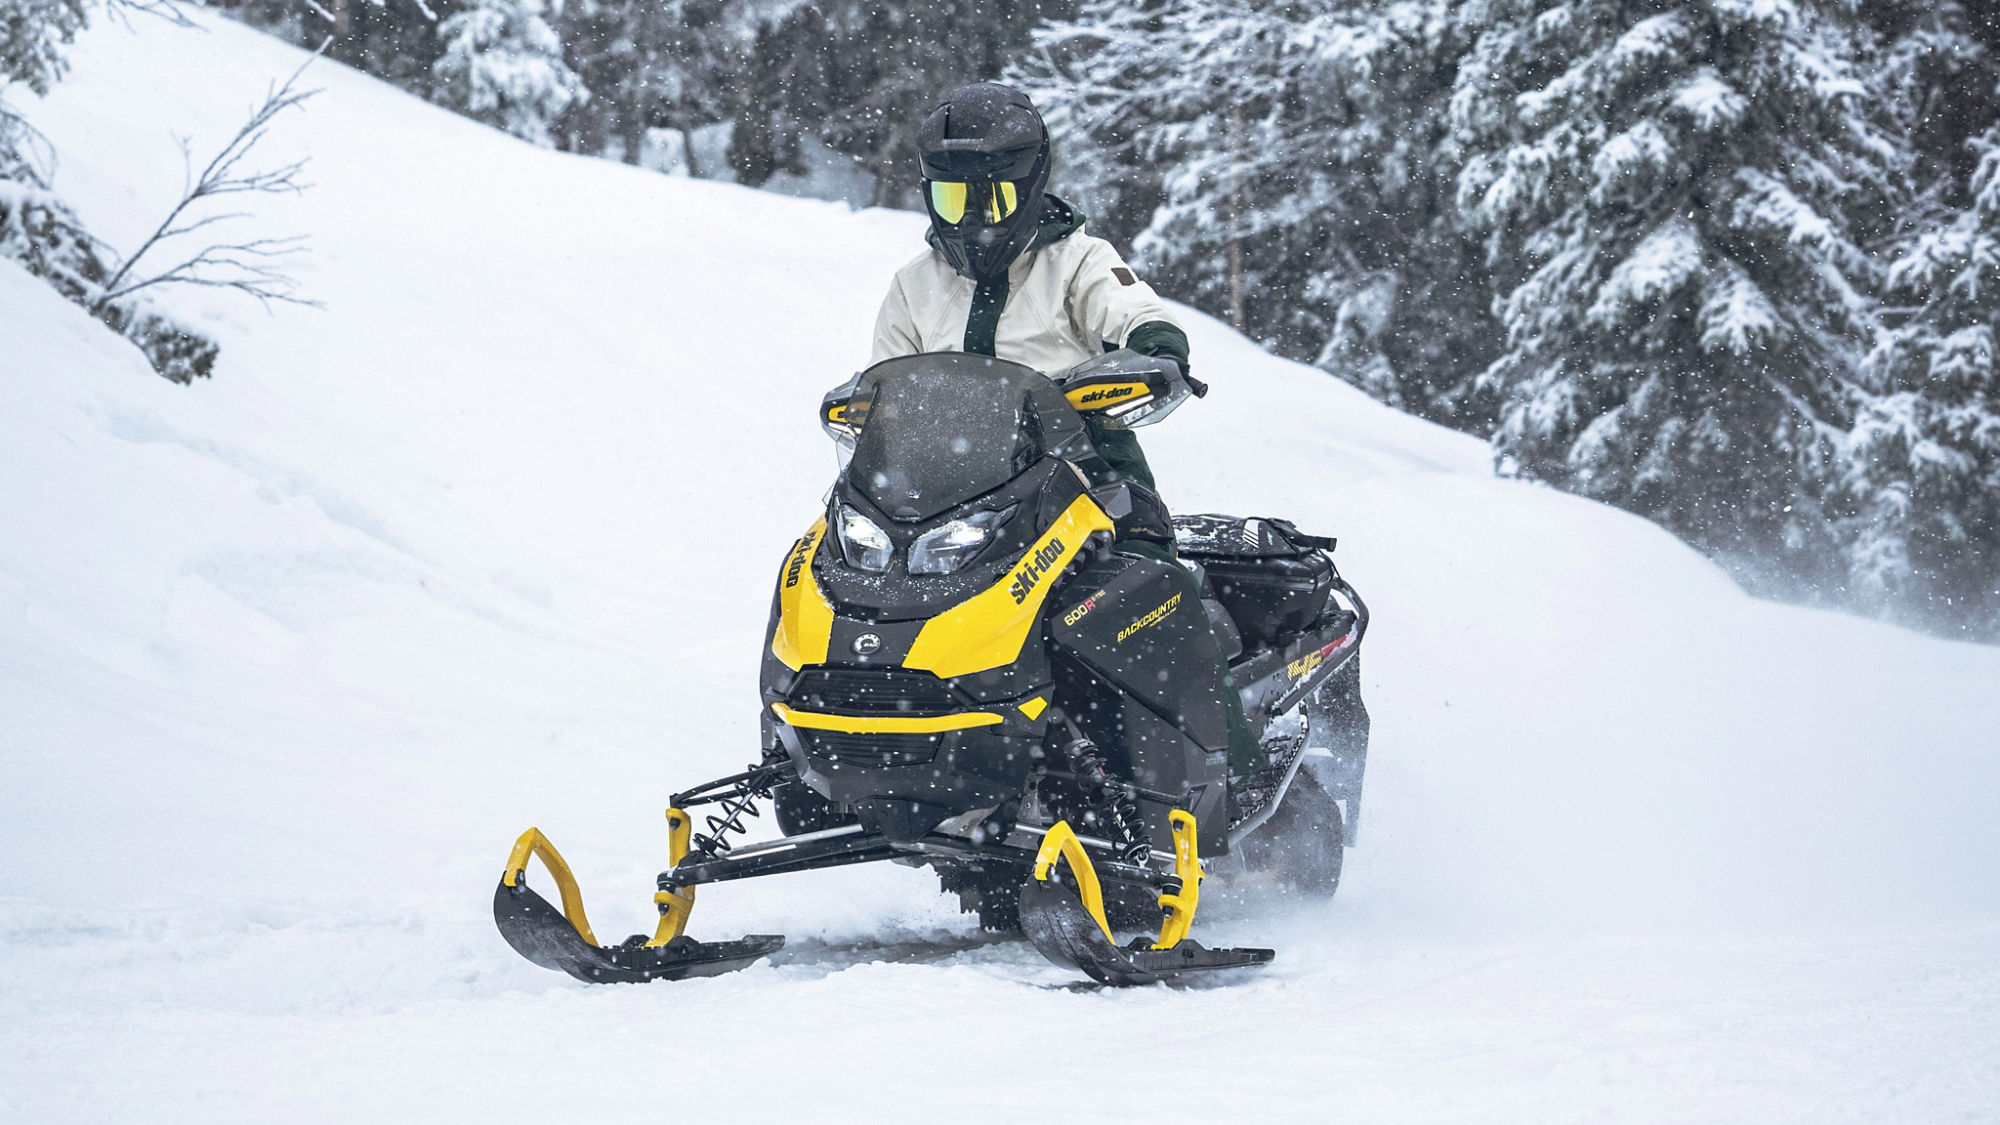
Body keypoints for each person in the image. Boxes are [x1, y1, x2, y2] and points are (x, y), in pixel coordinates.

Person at [868, 81, 1261, 780]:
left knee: (1156, 591)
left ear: (1031, 183)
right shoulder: (915, 285)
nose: (977, 220)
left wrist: (1158, 348)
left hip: (1087, 481)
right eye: (956, 199)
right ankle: (873, 759)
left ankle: (1235, 774)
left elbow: (1130, 308)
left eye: (993, 197)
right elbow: (886, 389)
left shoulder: (1077, 260)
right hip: (954, 502)